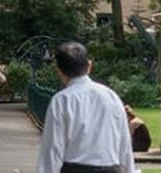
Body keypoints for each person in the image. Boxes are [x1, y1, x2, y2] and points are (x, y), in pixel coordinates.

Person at [36, 42, 135, 173]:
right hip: (111, 168)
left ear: (59, 70)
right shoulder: (111, 96)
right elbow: (124, 144)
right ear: (89, 66)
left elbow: (52, 149)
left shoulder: (62, 100)